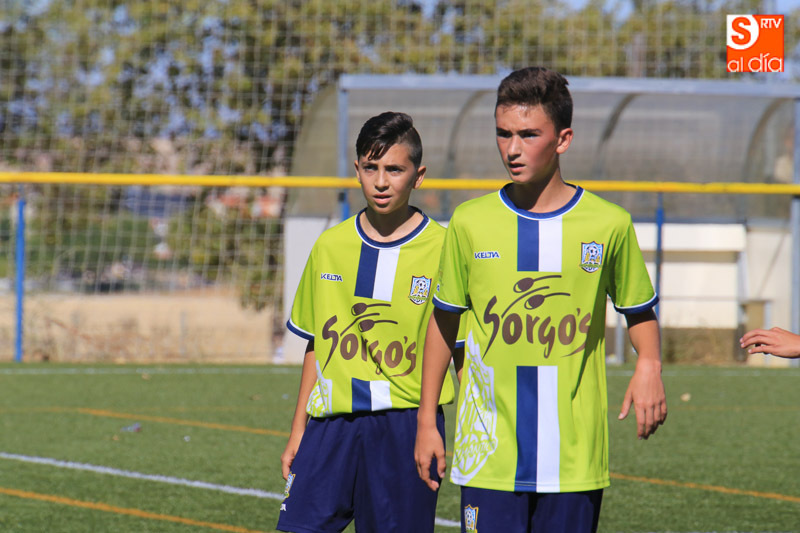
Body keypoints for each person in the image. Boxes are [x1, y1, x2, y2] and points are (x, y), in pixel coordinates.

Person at [414, 67, 668, 533]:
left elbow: (638, 309)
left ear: (563, 139)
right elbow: (443, 323)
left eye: (528, 134)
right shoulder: (470, 222)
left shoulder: (608, 224)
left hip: (574, 456)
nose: (512, 149)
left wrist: (649, 364)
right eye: (503, 134)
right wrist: (427, 420)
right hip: (486, 453)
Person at [277, 111, 462, 533]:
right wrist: (298, 429)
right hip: (331, 426)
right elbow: (316, 345)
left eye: (394, 169)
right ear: (357, 169)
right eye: (370, 168)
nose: (381, 181)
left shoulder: (444, 249)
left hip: (407, 423)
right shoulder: (329, 246)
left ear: (418, 176)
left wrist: (444, 426)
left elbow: (461, 351)